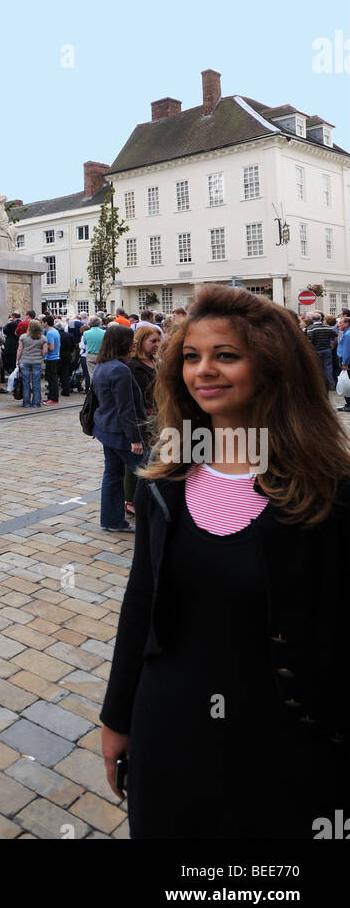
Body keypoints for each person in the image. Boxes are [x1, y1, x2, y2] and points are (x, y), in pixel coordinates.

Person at [101, 285, 350, 840]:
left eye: (226, 356)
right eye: (191, 356)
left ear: (272, 366)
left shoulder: (327, 488)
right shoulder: (169, 480)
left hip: (286, 739)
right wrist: (117, 716)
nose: (203, 371)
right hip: (172, 731)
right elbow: (141, 602)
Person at [90, 324, 145, 532]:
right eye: (132, 339)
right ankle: (157, 519)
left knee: (112, 475)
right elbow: (126, 408)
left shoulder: (103, 365)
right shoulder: (119, 369)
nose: (135, 342)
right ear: (122, 342)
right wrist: (135, 439)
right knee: (150, 474)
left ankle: (111, 520)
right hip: (121, 433)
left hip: (106, 429)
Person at [123, 324, 161, 515]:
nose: (156, 345)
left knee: (153, 458)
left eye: (158, 341)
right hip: (145, 418)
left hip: (158, 415)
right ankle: (130, 499)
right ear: (141, 342)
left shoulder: (155, 362)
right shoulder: (133, 366)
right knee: (139, 458)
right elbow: (135, 397)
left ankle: (148, 494)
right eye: (152, 341)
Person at [16, 319, 48, 408]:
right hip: (37, 362)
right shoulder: (43, 338)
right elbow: (45, 351)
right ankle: (36, 403)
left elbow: (20, 349)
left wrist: (17, 360)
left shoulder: (23, 337)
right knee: (36, 382)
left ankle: (26, 403)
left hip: (24, 361)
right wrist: (40, 356)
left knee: (25, 382)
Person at [307, 314, 338, 393]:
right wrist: (333, 345)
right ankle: (331, 385)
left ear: (312, 319)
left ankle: (319, 385)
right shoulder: (327, 327)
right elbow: (335, 336)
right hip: (327, 350)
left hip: (316, 350)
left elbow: (309, 340)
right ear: (320, 319)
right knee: (328, 368)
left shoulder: (311, 328)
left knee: (317, 368)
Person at [41, 314, 61, 404]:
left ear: (46, 323)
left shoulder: (49, 333)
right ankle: (50, 397)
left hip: (51, 358)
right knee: (51, 379)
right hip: (55, 357)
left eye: (42, 322)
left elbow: (51, 347)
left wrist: (44, 347)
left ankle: (54, 398)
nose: (41, 324)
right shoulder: (55, 331)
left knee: (52, 379)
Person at [82, 317, 106, 382]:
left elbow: (85, 343)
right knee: (101, 374)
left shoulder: (86, 333)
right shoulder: (104, 332)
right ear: (99, 323)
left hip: (91, 355)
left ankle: (93, 389)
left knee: (92, 374)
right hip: (101, 355)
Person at [336, 313, 350, 412]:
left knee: (347, 383)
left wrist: (344, 363)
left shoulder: (348, 334)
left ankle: (349, 405)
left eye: (341, 323)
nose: (338, 325)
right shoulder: (347, 333)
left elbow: (347, 350)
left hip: (347, 362)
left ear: (347, 324)